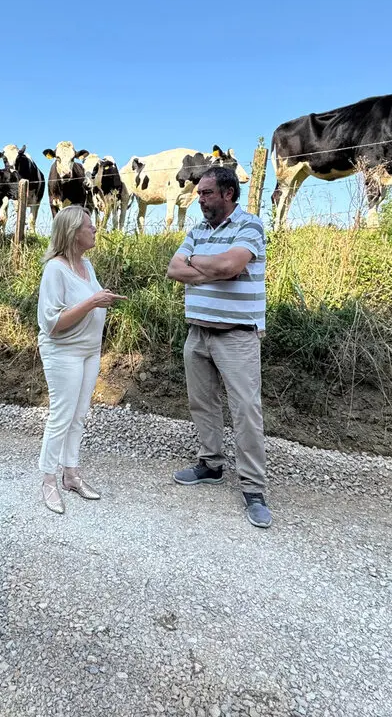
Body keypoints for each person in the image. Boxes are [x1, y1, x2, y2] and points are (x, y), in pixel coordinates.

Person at [165, 166, 272, 528]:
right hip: (197, 332)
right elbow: (173, 270)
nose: (200, 199)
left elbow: (231, 264)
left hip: (237, 335)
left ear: (228, 193)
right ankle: (210, 465)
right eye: (199, 193)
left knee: (245, 409)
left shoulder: (249, 226)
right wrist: (212, 268)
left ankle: (253, 489)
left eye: (207, 193)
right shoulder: (196, 230)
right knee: (203, 403)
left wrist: (201, 265)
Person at [36, 205, 126, 514]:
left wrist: (102, 300)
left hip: (89, 351)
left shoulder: (87, 265)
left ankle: (71, 475)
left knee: (79, 415)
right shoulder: (55, 269)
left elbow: (90, 301)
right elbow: (52, 323)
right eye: (90, 226)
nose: (95, 230)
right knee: (61, 416)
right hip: (63, 351)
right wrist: (92, 302)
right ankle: (48, 480)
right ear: (74, 233)